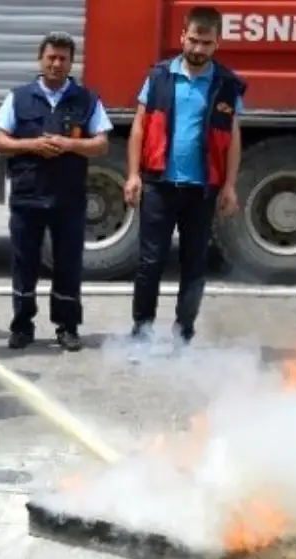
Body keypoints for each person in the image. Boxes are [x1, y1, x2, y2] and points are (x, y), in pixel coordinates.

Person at [125, 5, 243, 352]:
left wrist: (230, 185)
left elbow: (233, 137)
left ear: (217, 43)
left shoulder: (227, 85)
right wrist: (133, 175)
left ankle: (183, 334)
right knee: (150, 263)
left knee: (194, 266)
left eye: (206, 43)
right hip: (158, 185)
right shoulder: (159, 77)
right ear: (182, 37)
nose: (197, 49)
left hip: (201, 190)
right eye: (193, 40)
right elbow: (138, 128)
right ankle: (142, 332)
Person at [0, 32, 110, 352]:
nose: (57, 64)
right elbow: (0, 142)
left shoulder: (87, 99)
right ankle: (22, 326)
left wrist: (69, 144)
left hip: (69, 198)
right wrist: (33, 144)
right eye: (51, 58)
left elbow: (101, 143)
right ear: (40, 59)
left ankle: (67, 327)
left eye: (63, 58)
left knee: (68, 264)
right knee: (23, 263)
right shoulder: (18, 97)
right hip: (28, 195)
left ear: (72, 63)